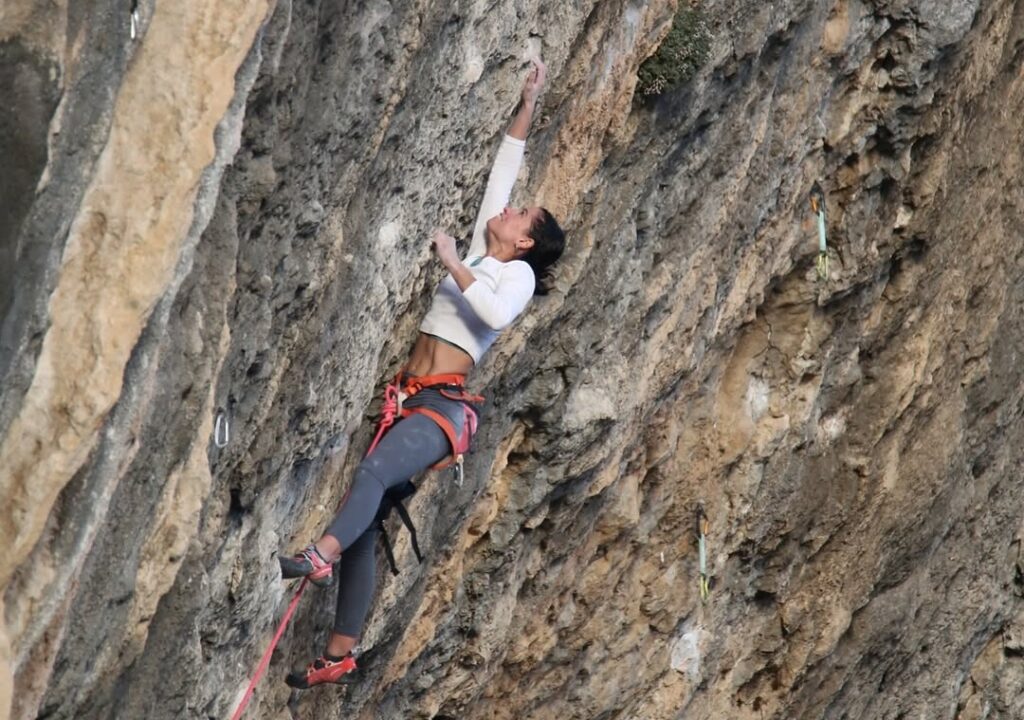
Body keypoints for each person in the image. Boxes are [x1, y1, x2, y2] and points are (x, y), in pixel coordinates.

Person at [278, 57, 566, 689]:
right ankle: (339, 656)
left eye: (522, 215)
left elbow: (487, 307)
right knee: (369, 516)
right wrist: (527, 103)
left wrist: (448, 261)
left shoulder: (513, 276)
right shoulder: (484, 250)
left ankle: (317, 559)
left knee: (375, 474)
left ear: (524, 243)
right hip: (412, 399)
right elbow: (504, 168)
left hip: (443, 411)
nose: (512, 208)